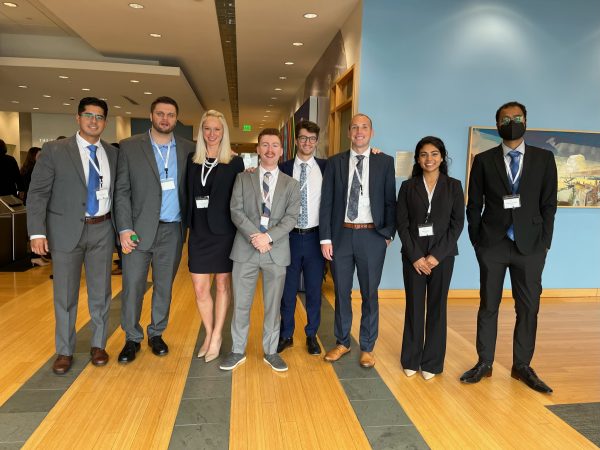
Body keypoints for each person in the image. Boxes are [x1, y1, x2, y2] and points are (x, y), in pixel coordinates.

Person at [460, 101, 558, 393]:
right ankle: (484, 363)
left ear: (526, 121)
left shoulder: (544, 159)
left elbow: (549, 205)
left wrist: (544, 244)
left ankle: (522, 366)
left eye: (517, 117)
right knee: (488, 305)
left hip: (530, 247)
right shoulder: (483, 159)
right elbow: (474, 204)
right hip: (493, 244)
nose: (512, 122)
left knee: (528, 308)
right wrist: (478, 241)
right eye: (506, 119)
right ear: (497, 124)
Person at [26, 97, 118, 374]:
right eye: (89, 115)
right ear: (77, 118)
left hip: (102, 228)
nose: (94, 121)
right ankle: (64, 350)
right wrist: (37, 232)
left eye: (100, 117)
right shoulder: (55, 150)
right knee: (64, 294)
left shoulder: (112, 153)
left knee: (101, 292)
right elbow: (38, 193)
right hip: (65, 231)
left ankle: (98, 344)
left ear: (105, 122)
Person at [114, 96, 195, 363]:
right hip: (138, 231)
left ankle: (156, 333)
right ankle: (132, 338)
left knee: (164, 287)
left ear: (176, 118)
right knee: (133, 286)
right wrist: (124, 228)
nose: (165, 119)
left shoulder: (188, 148)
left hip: (172, 231)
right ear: (151, 116)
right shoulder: (129, 147)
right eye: (160, 114)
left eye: (170, 115)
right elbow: (121, 192)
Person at [219, 128, 300, 373]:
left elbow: (291, 217)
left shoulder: (292, 184)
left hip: (275, 251)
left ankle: (271, 351)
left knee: (273, 305)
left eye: (274, 145)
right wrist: (255, 237)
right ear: (257, 149)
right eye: (265, 145)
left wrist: (267, 237)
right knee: (241, 303)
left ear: (282, 150)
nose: (269, 150)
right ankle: (237, 350)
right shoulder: (244, 178)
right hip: (246, 249)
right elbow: (236, 211)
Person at [320, 113, 396, 368]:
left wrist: (387, 235)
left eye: (364, 127)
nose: (359, 131)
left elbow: (390, 201)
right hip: (341, 235)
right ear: (349, 133)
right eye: (354, 127)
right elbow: (327, 202)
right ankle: (342, 342)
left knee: (369, 294)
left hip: (372, 237)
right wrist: (325, 238)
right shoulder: (335, 162)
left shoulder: (384, 162)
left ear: (371, 132)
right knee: (341, 292)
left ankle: (367, 347)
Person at [396, 136, 464, 380]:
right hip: (413, 258)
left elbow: (457, 225)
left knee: (437, 308)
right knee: (414, 307)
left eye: (434, 154)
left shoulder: (454, 186)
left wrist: (435, 256)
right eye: (424, 154)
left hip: (442, 258)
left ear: (442, 157)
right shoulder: (408, 186)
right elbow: (401, 224)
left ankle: (432, 363)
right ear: (417, 158)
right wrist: (416, 257)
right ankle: (411, 359)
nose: (429, 159)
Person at [185, 110, 244, 362]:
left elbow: (240, 196)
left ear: (224, 132)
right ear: (201, 132)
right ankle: (208, 334)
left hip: (224, 234)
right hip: (198, 232)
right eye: (207, 129)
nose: (212, 134)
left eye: (217, 129)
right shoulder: (192, 159)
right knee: (200, 288)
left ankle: (218, 335)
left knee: (222, 285)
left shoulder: (234, 161)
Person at [276, 120, 327, 355]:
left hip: (317, 239)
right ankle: (286, 334)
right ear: (296, 141)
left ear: (317, 142)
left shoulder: (327, 168)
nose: (307, 143)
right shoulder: (283, 168)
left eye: (312, 139)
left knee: (315, 290)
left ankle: (311, 335)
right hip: (289, 239)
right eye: (303, 138)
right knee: (287, 290)